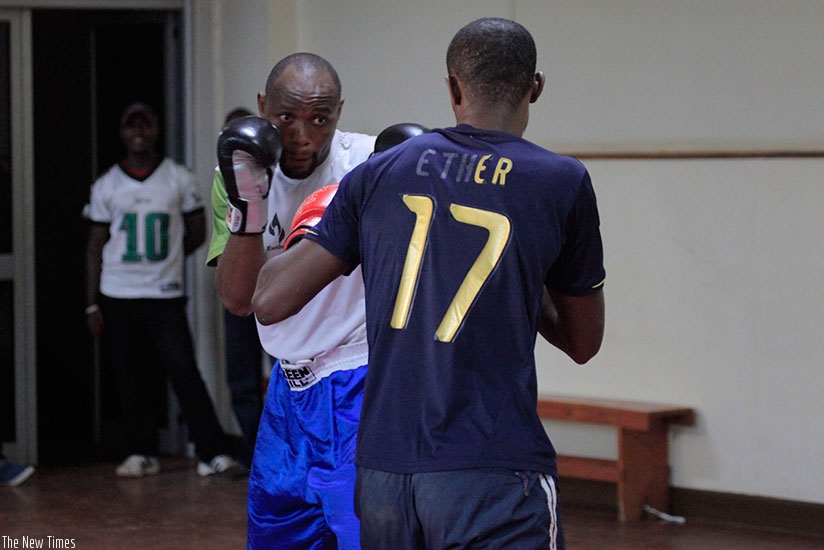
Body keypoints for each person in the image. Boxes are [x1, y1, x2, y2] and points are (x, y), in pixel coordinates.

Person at [250, 18, 606, 550]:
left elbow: (268, 300)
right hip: (493, 466)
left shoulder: (378, 172)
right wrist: (516, 281)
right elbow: (583, 342)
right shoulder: (561, 179)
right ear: (535, 87)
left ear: (453, 87)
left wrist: (258, 209)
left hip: (384, 475)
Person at [210, 53, 376, 549]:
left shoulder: (369, 165)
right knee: (279, 535)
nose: (303, 135)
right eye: (286, 118)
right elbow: (239, 301)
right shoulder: (239, 175)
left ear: (339, 112)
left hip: (360, 381)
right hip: (287, 391)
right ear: (263, 107)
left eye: (320, 119)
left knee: (364, 535)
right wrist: (250, 206)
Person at [85, 102, 241, 479]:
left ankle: (211, 451)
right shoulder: (107, 183)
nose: (138, 131)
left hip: (165, 294)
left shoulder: (178, 178)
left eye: (146, 124)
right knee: (128, 375)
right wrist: (90, 303)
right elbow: (94, 244)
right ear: (122, 133)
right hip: (119, 293)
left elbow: (199, 231)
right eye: (130, 125)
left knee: (184, 370)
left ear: (156, 130)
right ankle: (139, 451)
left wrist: (169, 257)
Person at [206, 106, 270, 471]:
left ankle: (288, 454)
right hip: (243, 291)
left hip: (286, 294)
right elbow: (221, 255)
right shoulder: (223, 182)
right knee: (242, 377)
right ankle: (252, 451)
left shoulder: (286, 173)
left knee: (287, 374)